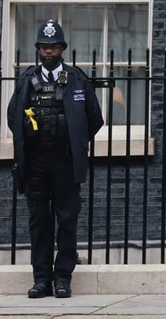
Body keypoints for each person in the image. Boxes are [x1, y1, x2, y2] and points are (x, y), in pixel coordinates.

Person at [7, 20, 104, 298]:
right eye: (44, 47)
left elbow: (94, 119)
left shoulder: (77, 79)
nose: (49, 52)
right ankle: (41, 279)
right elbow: (14, 115)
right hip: (36, 161)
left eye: (53, 47)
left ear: (62, 48)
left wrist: (74, 138)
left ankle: (63, 278)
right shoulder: (27, 79)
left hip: (65, 161)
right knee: (39, 220)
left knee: (67, 219)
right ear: (38, 49)